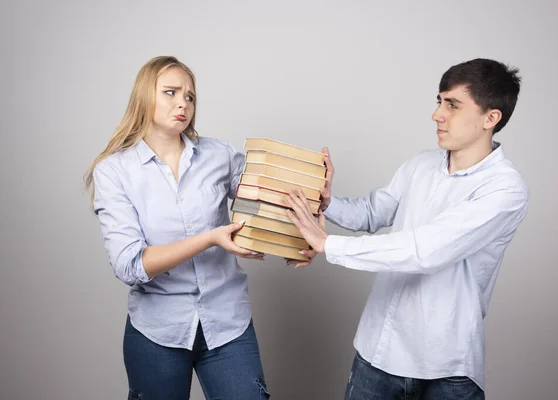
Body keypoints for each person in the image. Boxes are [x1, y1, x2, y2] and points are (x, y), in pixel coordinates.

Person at [285, 58, 530, 399]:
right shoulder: (420, 164)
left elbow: (425, 251)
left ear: (491, 118)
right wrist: (324, 201)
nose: (437, 114)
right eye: (439, 101)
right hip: (377, 352)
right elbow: (372, 213)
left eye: (453, 105)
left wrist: (328, 245)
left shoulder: (505, 189)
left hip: (446, 368)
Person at [84, 56, 270, 400]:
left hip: (227, 321)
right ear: (144, 97)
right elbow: (130, 265)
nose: (183, 103)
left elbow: (266, 200)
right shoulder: (113, 171)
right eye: (171, 92)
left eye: (190, 96)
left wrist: (314, 201)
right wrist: (210, 239)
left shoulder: (220, 155)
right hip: (157, 331)